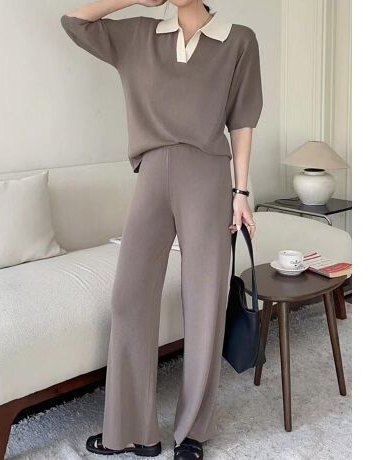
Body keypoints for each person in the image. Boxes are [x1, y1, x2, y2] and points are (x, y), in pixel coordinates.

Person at [60, 1, 262, 458]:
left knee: (205, 300)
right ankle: (134, 430)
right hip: (152, 172)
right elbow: (73, 22)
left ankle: (192, 433)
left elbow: (242, 121)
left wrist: (241, 191)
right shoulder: (140, 35)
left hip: (208, 174)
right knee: (129, 296)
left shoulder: (238, 39)